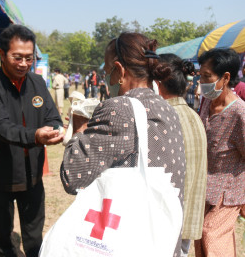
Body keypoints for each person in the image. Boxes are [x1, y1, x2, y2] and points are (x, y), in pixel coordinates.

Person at [60, 32, 186, 256]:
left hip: (126, 242)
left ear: (119, 70)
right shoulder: (168, 108)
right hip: (161, 240)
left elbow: (73, 176)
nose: (107, 79)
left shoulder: (119, 108)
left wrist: (79, 129)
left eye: (107, 72)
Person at [0, 24, 64, 257]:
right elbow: (0, 127)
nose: (24, 64)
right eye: (18, 57)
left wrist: (58, 129)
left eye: (29, 58)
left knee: (34, 234)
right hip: (1, 175)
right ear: (2, 55)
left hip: (32, 174)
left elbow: (52, 116)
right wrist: (34, 136)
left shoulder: (37, 83)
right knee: (3, 236)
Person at [194, 48, 245, 257]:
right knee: (199, 239)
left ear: (225, 78)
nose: (201, 81)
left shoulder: (239, 113)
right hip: (204, 189)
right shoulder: (207, 102)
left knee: (211, 234)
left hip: (228, 193)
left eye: (207, 77)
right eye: (200, 75)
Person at [157, 54, 208, 257]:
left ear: (157, 84)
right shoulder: (193, 116)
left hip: (165, 223)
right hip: (186, 218)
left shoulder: (162, 117)